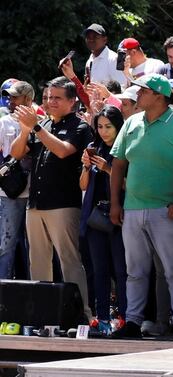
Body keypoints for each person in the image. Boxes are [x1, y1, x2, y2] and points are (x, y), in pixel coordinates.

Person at [109, 75, 173, 340]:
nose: (137, 96)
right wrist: (115, 203)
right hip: (133, 209)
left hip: (166, 210)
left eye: (142, 91)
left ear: (158, 95)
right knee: (134, 271)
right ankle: (133, 321)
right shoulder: (131, 123)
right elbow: (119, 165)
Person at [10, 77, 93, 320]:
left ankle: (81, 315)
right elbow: (16, 153)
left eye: (56, 98)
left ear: (72, 101)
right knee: (37, 262)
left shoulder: (80, 127)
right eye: (47, 97)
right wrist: (27, 130)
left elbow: (63, 150)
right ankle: (42, 314)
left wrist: (35, 127)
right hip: (35, 205)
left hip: (64, 204)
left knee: (69, 262)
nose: (50, 102)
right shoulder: (42, 123)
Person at [79, 106, 128, 335]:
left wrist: (108, 168)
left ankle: (125, 316)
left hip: (119, 216)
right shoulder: (93, 148)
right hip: (94, 217)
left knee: (121, 269)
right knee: (99, 270)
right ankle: (101, 317)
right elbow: (83, 185)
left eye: (108, 126)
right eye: (99, 127)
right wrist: (87, 167)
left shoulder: (125, 150)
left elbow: (129, 184)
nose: (104, 131)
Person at [0, 81, 33, 280]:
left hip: (38, 193)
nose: (10, 100)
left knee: (35, 248)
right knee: (6, 245)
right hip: (10, 192)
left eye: (15, 96)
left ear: (28, 99)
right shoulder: (4, 122)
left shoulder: (43, 119)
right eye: (9, 96)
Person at [83, 24, 122, 88]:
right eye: (88, 37)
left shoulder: (113, 59)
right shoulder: (89, 61)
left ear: (105, 40)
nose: (91, 40)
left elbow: (121, 86)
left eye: (95, 37)